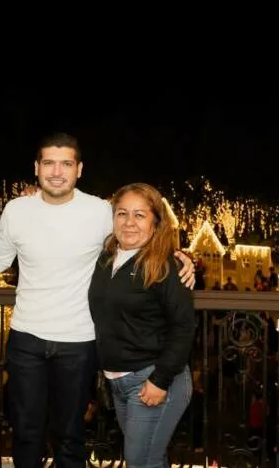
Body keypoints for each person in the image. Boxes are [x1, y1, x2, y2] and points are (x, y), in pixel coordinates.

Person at [0, 133, 194, 468]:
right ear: (36, 168)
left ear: (79, 169)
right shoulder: (17, 210)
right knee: (25, 433)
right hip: (27, 339)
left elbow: (143, 233)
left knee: (71, 437)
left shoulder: (99, 211)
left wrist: (181, 258)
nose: (57, 172)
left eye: (66, 164)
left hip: (79, 343)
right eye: (49, 163)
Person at [88, 182, 195, 468]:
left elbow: (183, 327)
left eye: (140, 215)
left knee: (141, 462)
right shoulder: (105, 259)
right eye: (122, 213)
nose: (129, 222)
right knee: (149, 460)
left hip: (152, 379)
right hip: (119, 383)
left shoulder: (166, 266)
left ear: (156, 222)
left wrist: (160, 380)